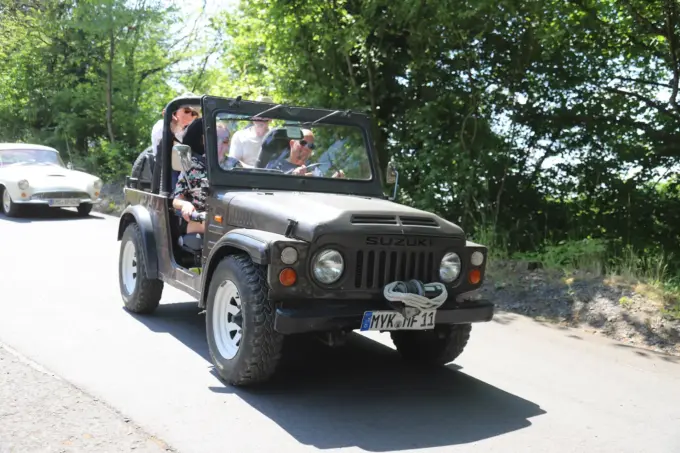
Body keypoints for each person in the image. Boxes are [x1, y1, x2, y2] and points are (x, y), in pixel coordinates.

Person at [172, 118, 208, 235]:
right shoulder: (192, 166)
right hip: (199, 218)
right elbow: (177, 199)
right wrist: (186, 204)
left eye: (226, 140)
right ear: (203, 139)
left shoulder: (234, 165)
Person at [266, 129, 345, 178]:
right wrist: (292, 177)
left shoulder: (314, 170)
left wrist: (334, 180)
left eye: (311, 146)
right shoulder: (275, 166)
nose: (306, 148)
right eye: (303, 143)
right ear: (292, 143)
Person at [228, 95, 273, 167]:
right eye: (257, 112)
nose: (260, 117)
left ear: (271, 118)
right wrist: (255, 170)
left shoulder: (276, 136)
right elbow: (233, 162)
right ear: (252, 115)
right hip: (245, 174)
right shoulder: (240, 136)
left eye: (265, 113)